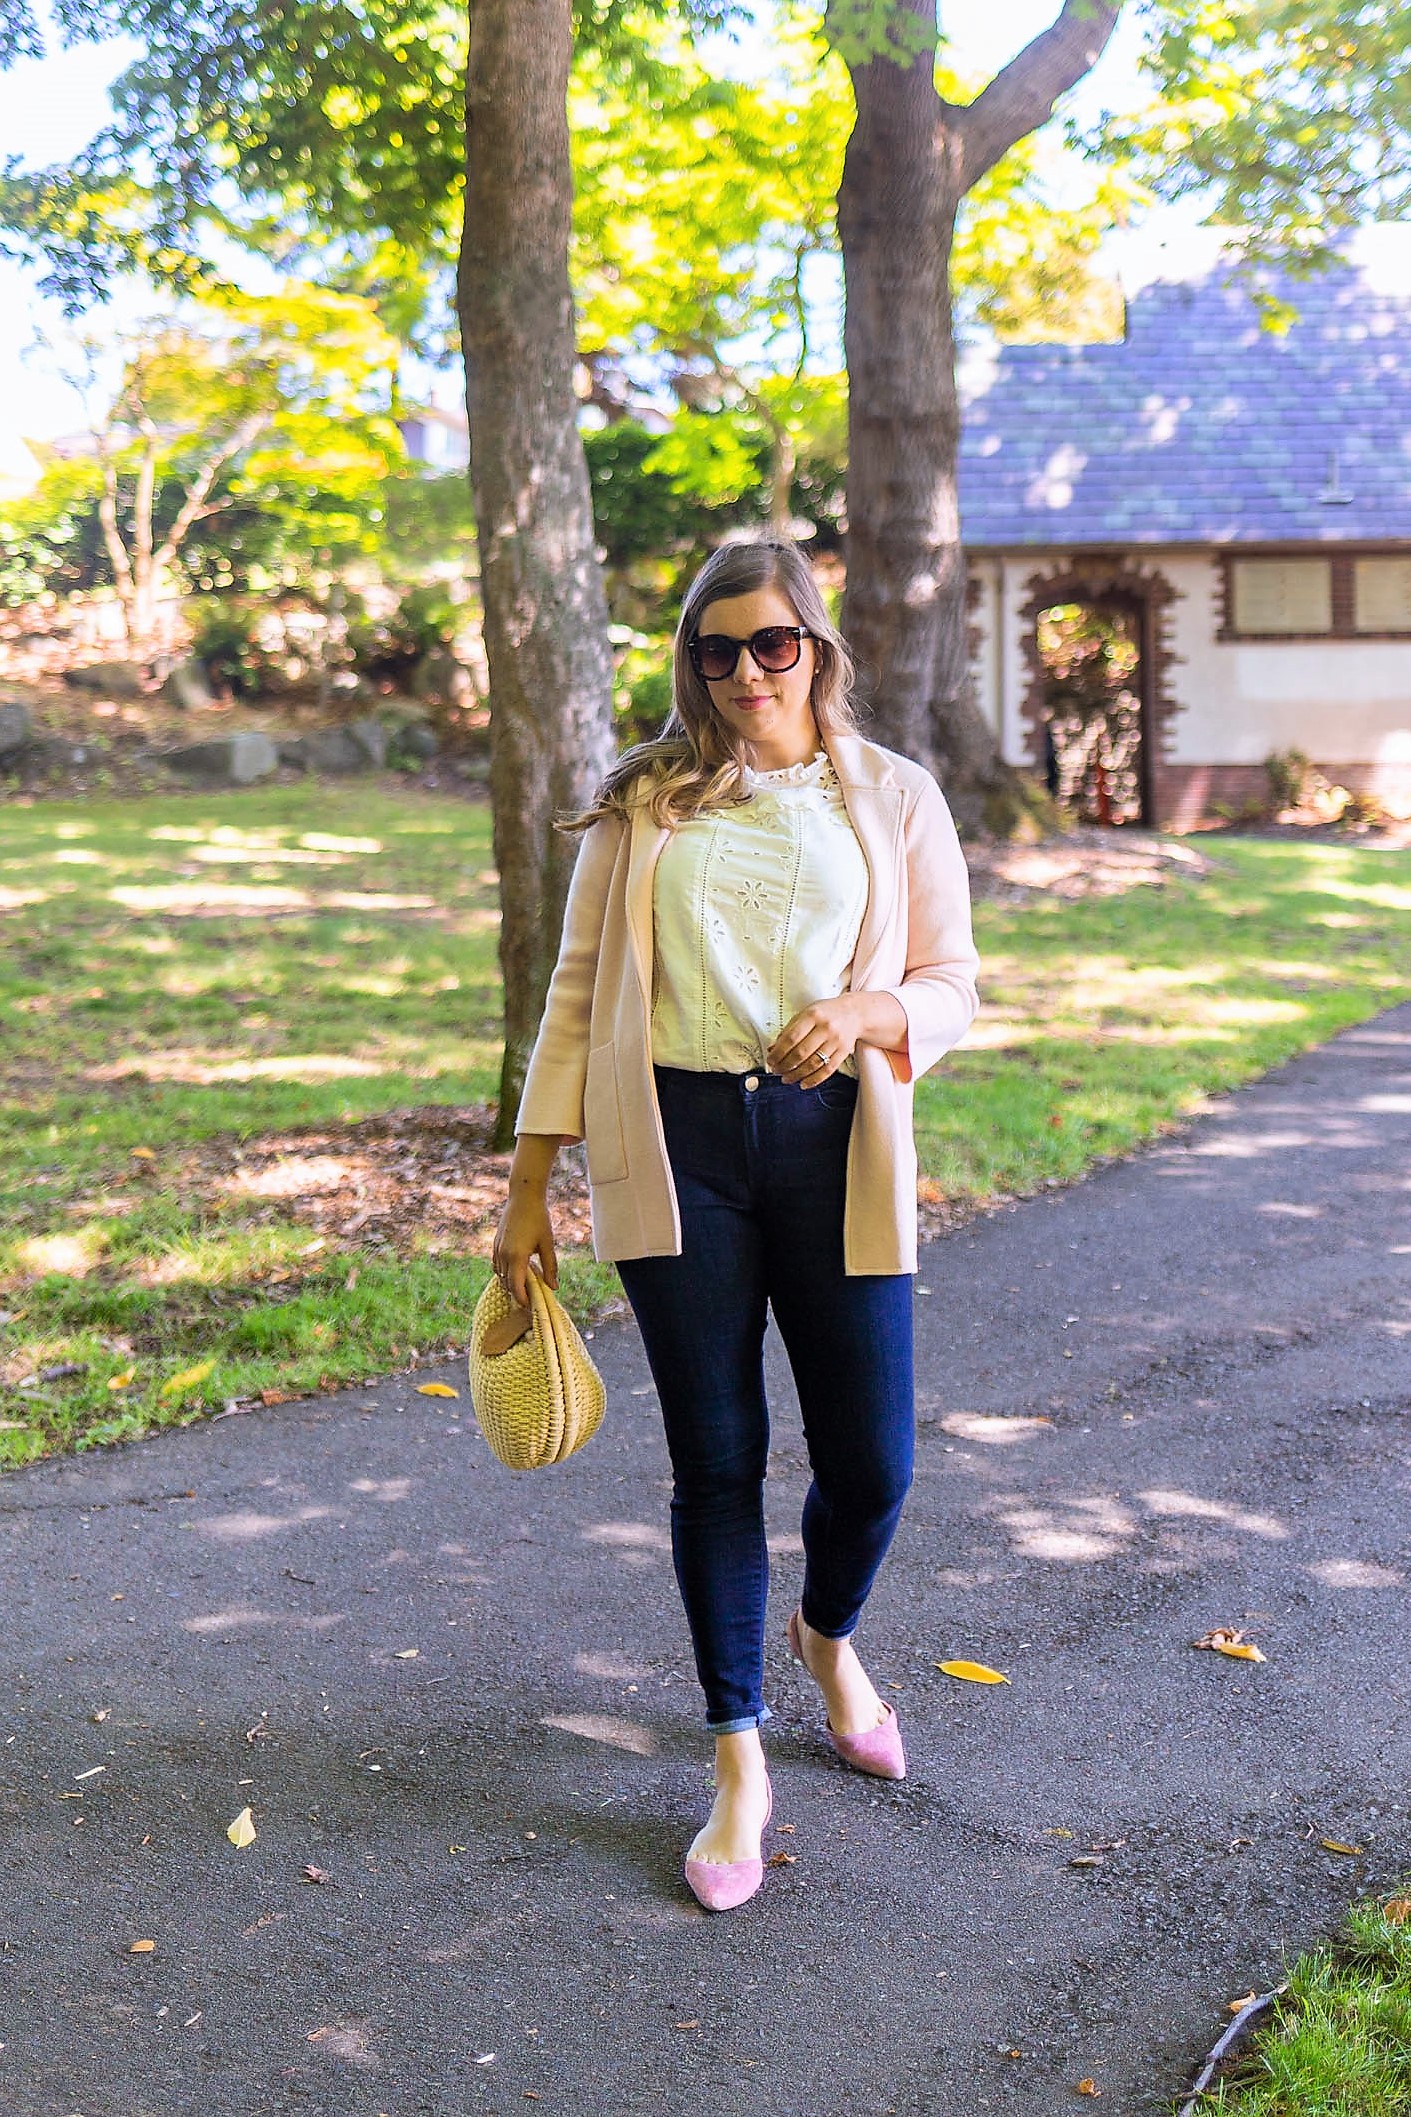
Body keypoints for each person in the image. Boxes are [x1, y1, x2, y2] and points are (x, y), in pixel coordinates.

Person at [493, 538, 979, 1912]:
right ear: (692, 667)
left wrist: (872, 1014)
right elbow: (577, 999)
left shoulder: (893, 794)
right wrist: (527, 1189)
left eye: (775, 645)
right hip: (679, 1149)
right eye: (720, 652)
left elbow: (950, 981)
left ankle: (827, 1637)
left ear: (816, 647)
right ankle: (737, 1758)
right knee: (716, 1460)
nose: (750, 673)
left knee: (873, 1465)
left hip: (837, 1151)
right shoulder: (648, 801)